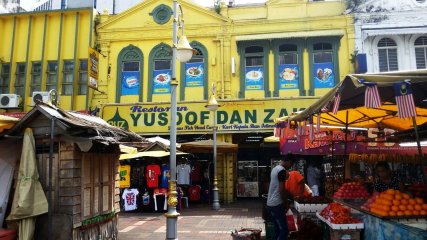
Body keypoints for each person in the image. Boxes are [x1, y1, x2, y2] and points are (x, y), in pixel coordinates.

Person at [266, 158, 289, 240]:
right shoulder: (282, 171)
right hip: (276, 204)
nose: (290, 166)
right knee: (284, 230)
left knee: (278, 229)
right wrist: (286, 202)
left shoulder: (275, 169)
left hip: (270, 203)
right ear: (288, 161)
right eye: (291, 164)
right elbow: (281, 189)